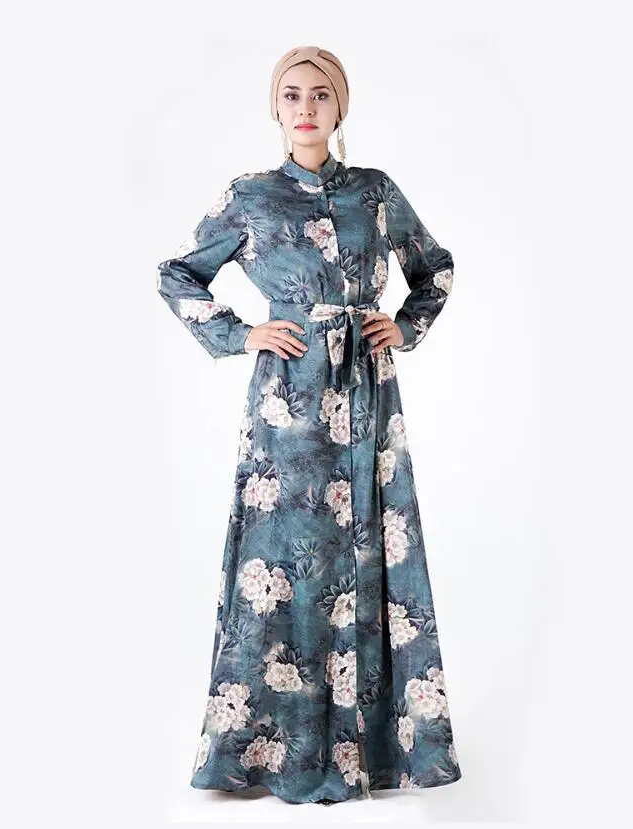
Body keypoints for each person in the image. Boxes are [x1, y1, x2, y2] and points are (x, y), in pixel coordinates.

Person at [157, 45, 461, 806]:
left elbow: (435, 267)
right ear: (274, 106)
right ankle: (272, 746)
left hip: (367, 395)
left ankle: (373, 747)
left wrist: (404, 325)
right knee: (285, 559)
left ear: (339, 107)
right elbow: (177, 273)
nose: (305, 107)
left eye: (320, 95)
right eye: (291, 94)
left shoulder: (375, 192)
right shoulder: (251, 196)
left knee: (369, 547)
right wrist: (242, 333)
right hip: (286, 405)